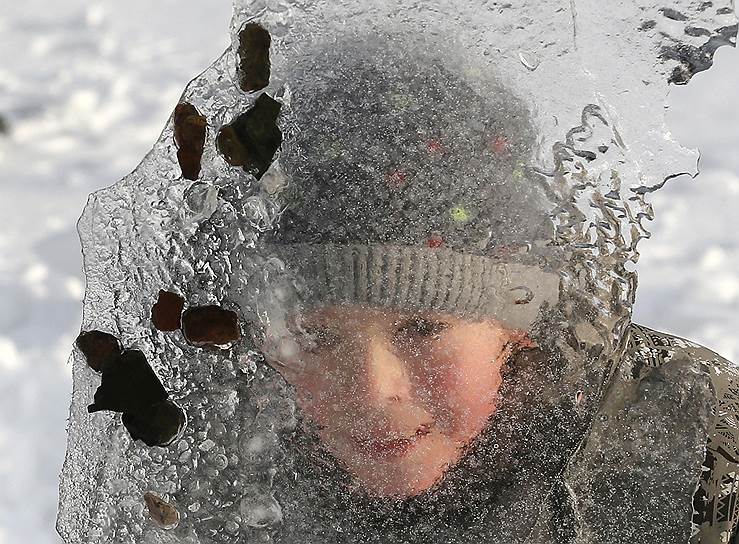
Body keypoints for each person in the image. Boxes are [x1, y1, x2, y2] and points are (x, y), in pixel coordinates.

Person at [242, 34, 739, 544]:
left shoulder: (694, 445)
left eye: (422, 327)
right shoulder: (219, 464)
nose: (371, 390)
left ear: (515, 325)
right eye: (318, 337)